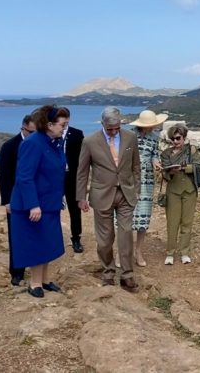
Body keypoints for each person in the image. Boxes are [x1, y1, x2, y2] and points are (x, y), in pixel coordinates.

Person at [76, 106, 141, 293]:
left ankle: (127, 274)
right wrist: (81, 197)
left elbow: (136, 166)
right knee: (105, 239)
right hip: (101, 195)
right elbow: (82, 172)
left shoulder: (130, 137)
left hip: (126, 194)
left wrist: (136, 189)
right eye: (110, 128)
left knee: (126, 233)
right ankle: (108, 271)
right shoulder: (89, 141)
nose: (113, 132)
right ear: (102, 123)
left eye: (117, 128)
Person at [9, 105, 69, 298]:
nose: (64, 128)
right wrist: (33, 204)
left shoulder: (54, 142)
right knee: (37, 243)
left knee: (48, 243)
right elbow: (24, 177)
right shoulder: (33, 143)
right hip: (34, 206)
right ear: (50, 124)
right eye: (62, 124)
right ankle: (34, 283)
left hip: (49, 203)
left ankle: (44, 279)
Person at [0, 114, 36, 286]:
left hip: (35, 197)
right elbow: (4, 176)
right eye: (30, 132)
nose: (34, 136)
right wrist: (7, 201)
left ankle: (36, 269)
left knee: (35, 234)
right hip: (15, 199)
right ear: (23, 128)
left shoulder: (39, 145)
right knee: (16, 236)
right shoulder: (9, 146)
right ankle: (16, 272)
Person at [128, 109, 167, 267]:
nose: (153, 127)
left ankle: (138, 252)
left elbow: (154, 155)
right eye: (150, 125)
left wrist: (155, 162)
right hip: (130, 179)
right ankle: (123, 252)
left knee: (143, 217)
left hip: (147, 181)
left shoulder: (155, 138)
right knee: (126, 217)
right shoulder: (129, 136)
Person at [160, 123, 200, 265]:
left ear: (184, 137)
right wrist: (170, 171)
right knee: (172, 222)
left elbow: (197, 166)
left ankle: (184, 252)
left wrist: (184, 167)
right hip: (173, 191)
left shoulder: (192, 151)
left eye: (178, 138)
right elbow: (164, 173)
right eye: (173, 139)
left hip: (189, 190)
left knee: (187, 223)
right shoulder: (165, 154)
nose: (175, 142)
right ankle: (170, 252)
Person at [62, 109, 85, 253]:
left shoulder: (77, 134)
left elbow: (82, 159)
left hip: (71, 176)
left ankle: (76, 238)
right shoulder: (49, 135)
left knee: (74, 209)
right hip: (54, 177)